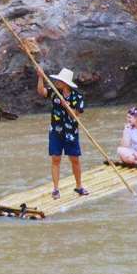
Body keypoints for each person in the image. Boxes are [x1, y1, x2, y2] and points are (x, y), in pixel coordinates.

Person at [37, 67, 88, 200]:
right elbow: (41, 91)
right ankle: (56, 189)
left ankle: (79, 186)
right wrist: (41, 77)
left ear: (65, 83)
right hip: (56, 131)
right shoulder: (55, 92)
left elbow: (76, 114)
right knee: (56, 158)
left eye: (60, 80)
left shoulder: (78, 96)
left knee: (74, 159)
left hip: (71, 132)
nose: (57, 82)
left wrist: (67, 106)